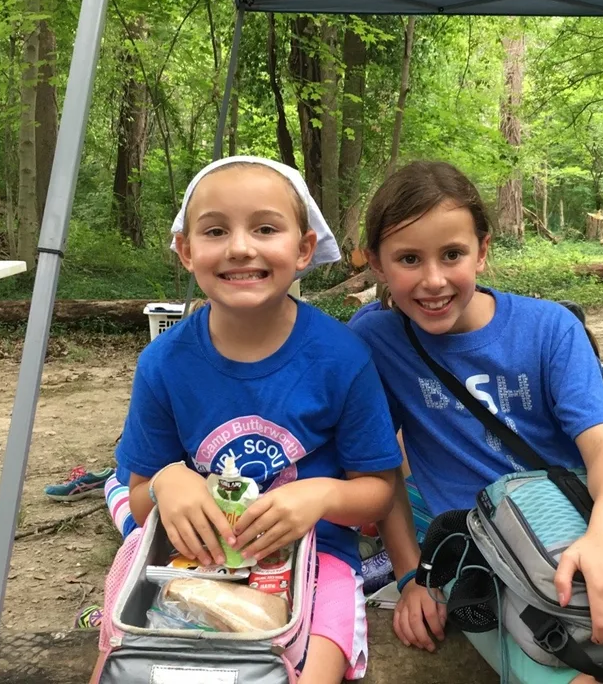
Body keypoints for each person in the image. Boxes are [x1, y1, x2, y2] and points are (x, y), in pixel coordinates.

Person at [350, 160, 603, 684]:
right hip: (480, 558)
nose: (433, 280)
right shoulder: (375, 340)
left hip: (584, 527)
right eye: (409, 259)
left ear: (482, 251)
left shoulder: (549, 328)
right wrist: (414, 573)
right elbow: (381, 466)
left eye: (452, 254)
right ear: (376, 263)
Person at [93, 156, 403, 684]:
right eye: (215, 230)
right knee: (126, 661)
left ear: (304, 248)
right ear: (187, 251)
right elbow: (145, 500)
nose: (240, 247)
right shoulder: (164, 364)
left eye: (265, 228)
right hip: (194, 556)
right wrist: (167, 479)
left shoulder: (341, 358)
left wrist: (322, 497)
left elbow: (378, 490)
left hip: (315, 556)